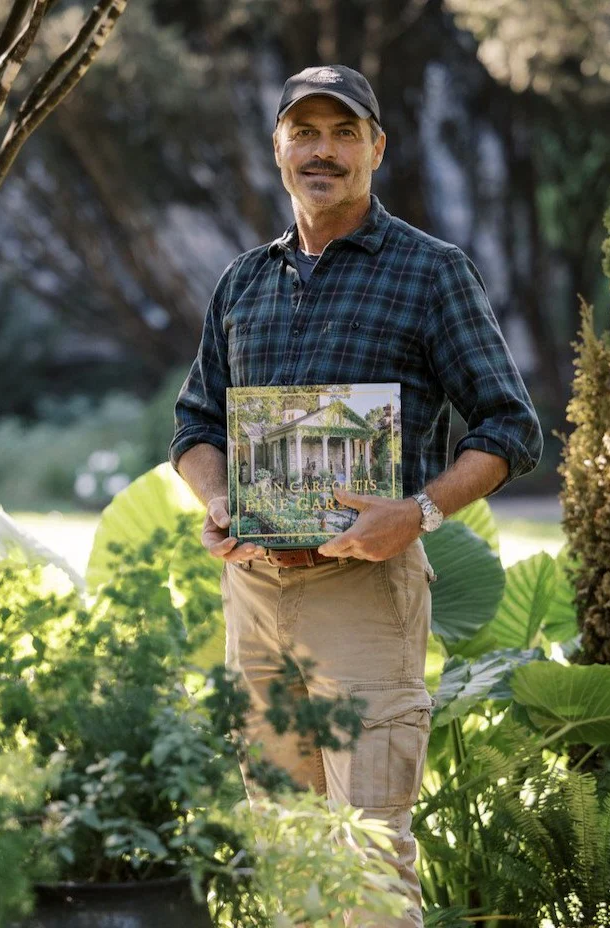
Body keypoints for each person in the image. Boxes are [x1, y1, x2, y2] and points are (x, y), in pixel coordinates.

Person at [170, 64, 543, 927]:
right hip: (255, 597)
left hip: (364, 595)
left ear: (377, 147)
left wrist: (417, 515)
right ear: (279, 148)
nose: (323, 151)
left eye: (344, 133)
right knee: (286, 849)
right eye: (305, 132)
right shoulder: (243, 282)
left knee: (371, 856)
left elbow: (509, 425)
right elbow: (194, 424)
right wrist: (219, 499)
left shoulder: (431, 271)